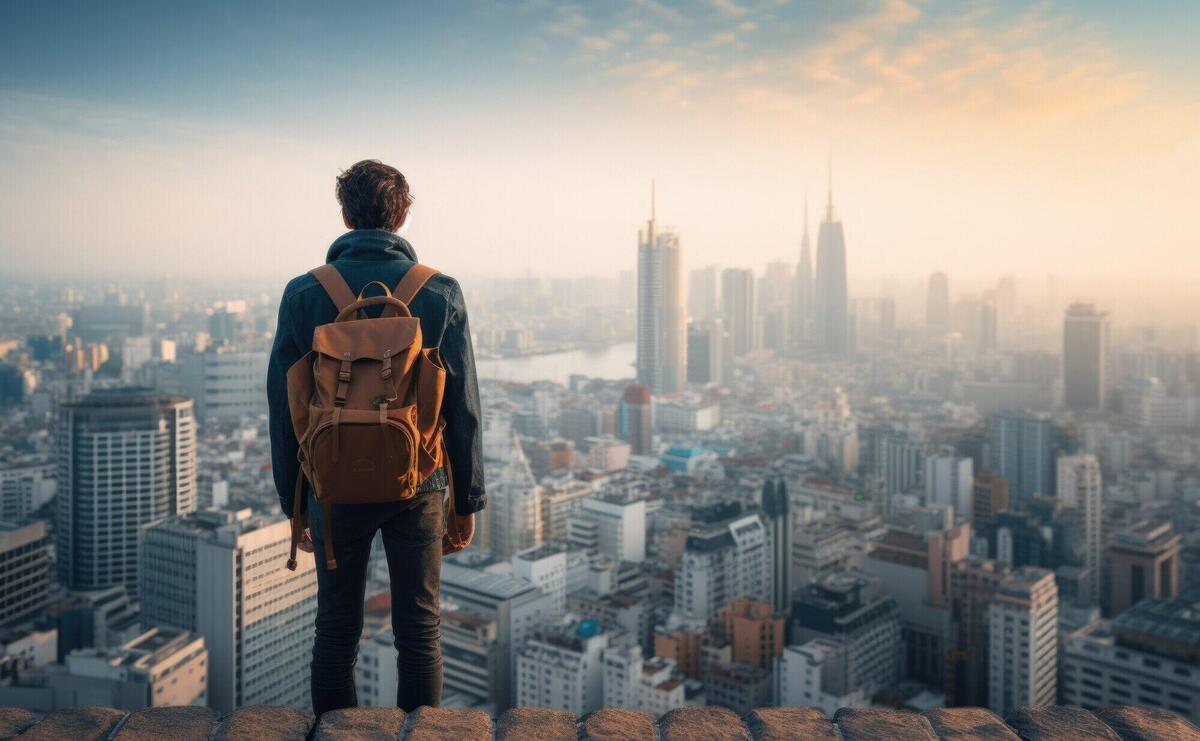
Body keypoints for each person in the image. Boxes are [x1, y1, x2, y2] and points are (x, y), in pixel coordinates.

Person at [267, 159, 486, 713]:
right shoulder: (439, 291)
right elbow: (462, 407)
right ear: (403, 216)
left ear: (344, 215)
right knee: (420, 633)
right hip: (421, 482)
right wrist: (468, 499)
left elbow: (283, 404)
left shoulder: (303, 294)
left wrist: (294, 500)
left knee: (336, 633)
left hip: (333, 485)